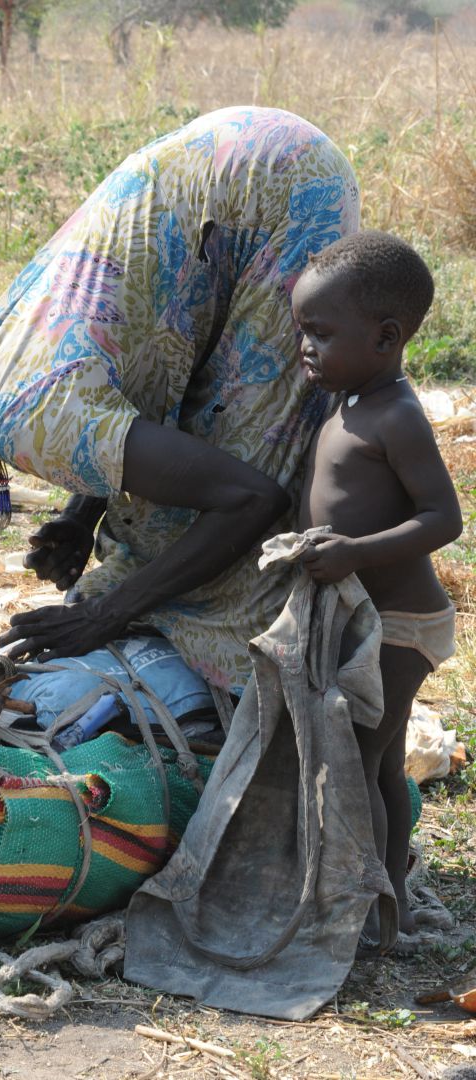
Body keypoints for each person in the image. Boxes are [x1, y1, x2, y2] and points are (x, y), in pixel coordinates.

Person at [0, 106, 360, 694]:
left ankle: (322, 657)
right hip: (224, 157)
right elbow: (108, 380)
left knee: (252, 504)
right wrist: (80, 514)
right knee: (175, 499)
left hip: (279, 185)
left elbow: (251, 497)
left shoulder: (29, 421)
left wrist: (106, 614)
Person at [292, 230, 463, 933]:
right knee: (382, 762)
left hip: (402, 623)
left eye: (320, 333)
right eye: (302, 331)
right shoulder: (348, 399)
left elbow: (443, 518)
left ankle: (371, 913)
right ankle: (380, 904)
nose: (306, 348)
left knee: (362, 762)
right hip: (370, 617)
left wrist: (355, 552)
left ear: (386, 337)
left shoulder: (397, 415)